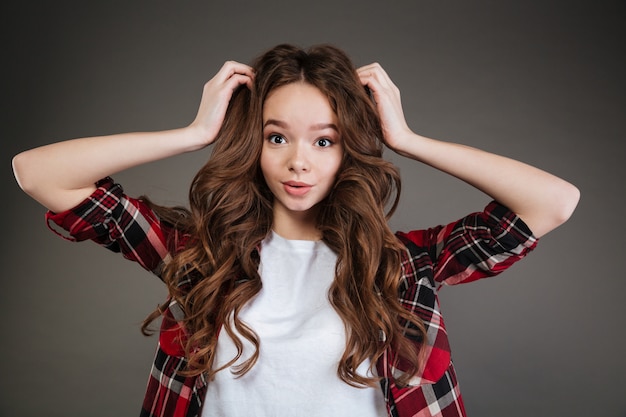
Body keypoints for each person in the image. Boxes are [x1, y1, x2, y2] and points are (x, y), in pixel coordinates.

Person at [12, 44, 579, 417]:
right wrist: (193, 132)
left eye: (324, 140)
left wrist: (409, 139)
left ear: (347, 150)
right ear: (252, 143)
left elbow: (553, 202)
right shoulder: (199, 254)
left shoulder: (403, 266)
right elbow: (38, 174)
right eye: (277, 136)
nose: (298, 162)